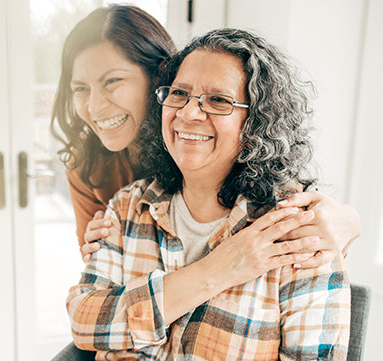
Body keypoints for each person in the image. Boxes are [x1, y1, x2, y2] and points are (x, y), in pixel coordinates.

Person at [66, 28, 351, 361]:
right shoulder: (128, 205)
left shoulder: (296, 231)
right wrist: (217, 270)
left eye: (218, 100)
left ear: (257, 121)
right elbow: (84, 323)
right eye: (179, 94)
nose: (188, 113)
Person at [50, 4, 360, 267]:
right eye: (80, 89)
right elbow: (105, 291)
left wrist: (348, 220)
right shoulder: (87, 167)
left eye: (112, 81)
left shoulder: (220, 151)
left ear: (161, 76)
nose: (94, 106)